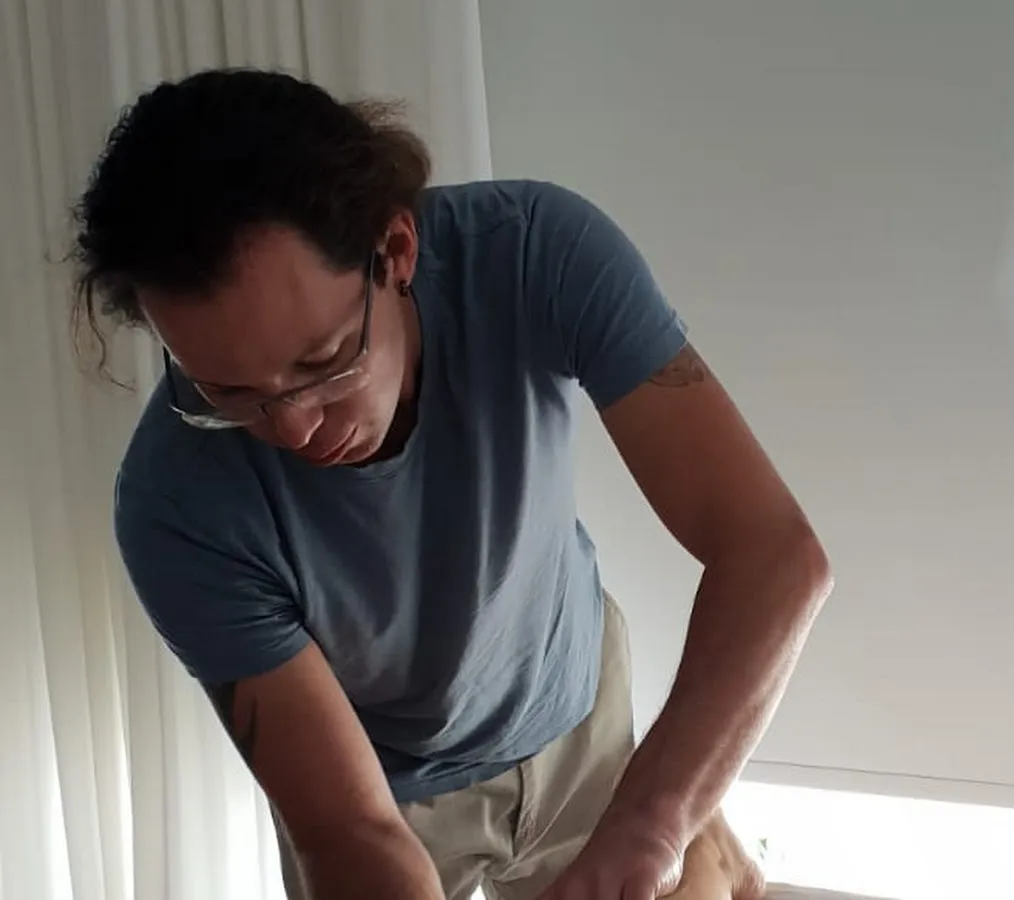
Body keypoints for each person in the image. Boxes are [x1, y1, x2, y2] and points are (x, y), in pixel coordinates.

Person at [71, 68, 832, 900]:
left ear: (396, 251)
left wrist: (652, 822)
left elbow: (772, 554)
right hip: (384, 795)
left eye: (323, 362)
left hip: (578, 711)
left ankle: (709, 847)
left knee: (685, 866)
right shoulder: (173, 504)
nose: (292, 428)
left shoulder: (533, 252)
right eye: (228, 391)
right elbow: (350, 828)